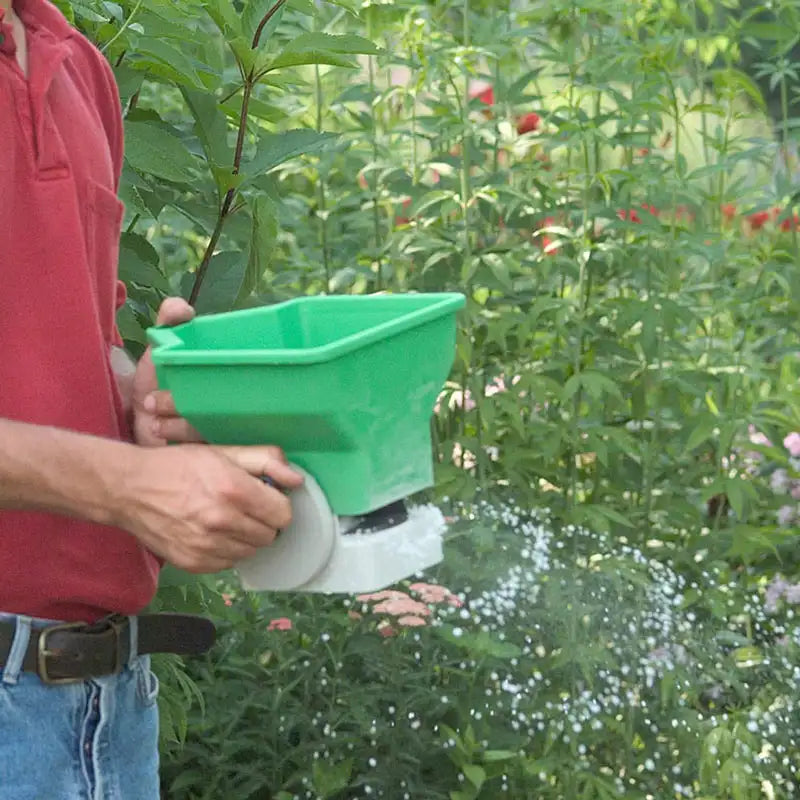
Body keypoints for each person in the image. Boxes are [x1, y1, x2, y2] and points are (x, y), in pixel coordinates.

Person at [0, 0, 303, 796]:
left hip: (105, 706)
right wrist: (127, 486)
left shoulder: (75, 60)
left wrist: (139, 394)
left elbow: (73, 326)